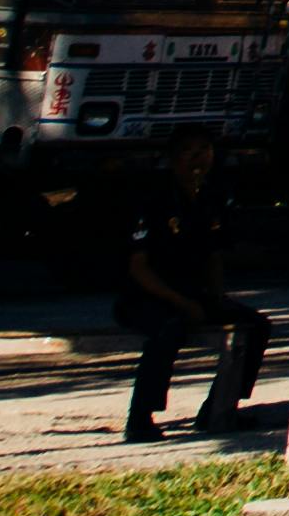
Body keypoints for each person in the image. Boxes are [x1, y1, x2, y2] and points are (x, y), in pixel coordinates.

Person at [113, 133, 274, 441]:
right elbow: (138, 267)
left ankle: (219, 408)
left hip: (192, 292)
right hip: (145, 295)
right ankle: (140, 418)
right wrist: (182, 302)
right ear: (173, 159)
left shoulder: (211, 197)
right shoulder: (155, 198)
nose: (198, 159)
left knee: (254, 326)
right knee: (169, 328)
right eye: (189, 151)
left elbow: (214, 253)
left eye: (204, 150)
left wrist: (215, 296)